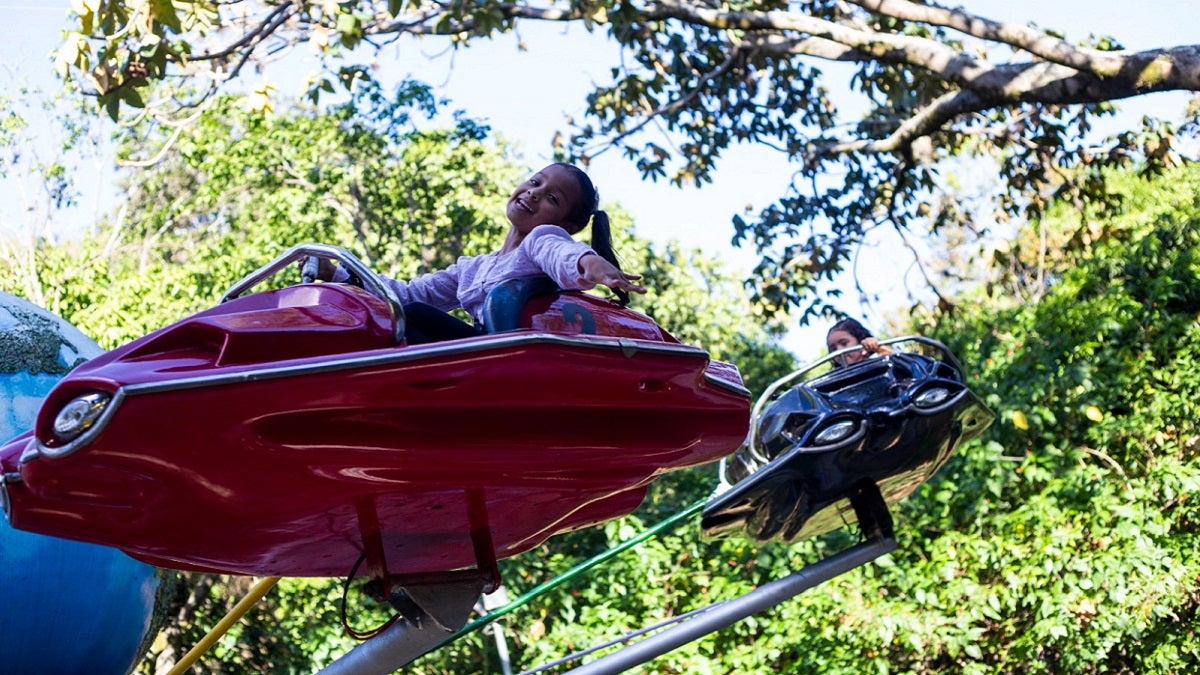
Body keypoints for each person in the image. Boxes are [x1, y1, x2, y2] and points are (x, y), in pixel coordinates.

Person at [305, 162, 647, 344]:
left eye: (552, 198)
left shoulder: (540, 239)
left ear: (568, 224)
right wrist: (336, 274)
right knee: (406, 308)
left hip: (497, 355)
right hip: (479, 350)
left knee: (417, 316)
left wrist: (593, 266)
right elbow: (406, 293)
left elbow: (560, 253)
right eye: (534, 182)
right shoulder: (474, 268)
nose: (534, 193)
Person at [826, 317, 892, 368]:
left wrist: (877, 347)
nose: (839, 351)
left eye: (844, 343)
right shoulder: (836, 378)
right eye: (833, 349)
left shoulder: (877, 363)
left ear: (860, 341)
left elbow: (893, 360)